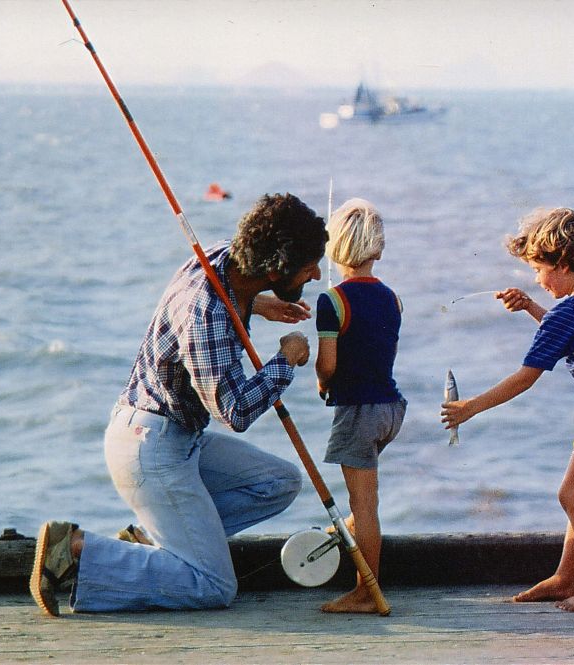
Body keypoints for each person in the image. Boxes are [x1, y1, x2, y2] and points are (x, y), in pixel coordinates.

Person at [30, 193, 328, 616]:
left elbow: (227, 297)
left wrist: (257, 305)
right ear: (276, 268)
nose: (315, 273)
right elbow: (235, 412)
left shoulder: (220, 259)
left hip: (176, 436)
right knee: (213, 586)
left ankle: (151, 540)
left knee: (277, 483)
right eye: (307, 267)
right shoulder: (206, 315)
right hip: (150, 447)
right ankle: (75, 549)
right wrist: (287, 359)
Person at [441, 207, 574, 612]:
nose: (536, 279)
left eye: (539, 269)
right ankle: (565, 579)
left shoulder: (567, 314)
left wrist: (471, 406)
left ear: (564, 263)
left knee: (572, 497)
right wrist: (534, 309)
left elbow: (526, 376)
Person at [314, 198, 406, 613]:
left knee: (363, 505)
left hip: (360, 411)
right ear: (378, 249)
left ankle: (367, 592)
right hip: (391, 409)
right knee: (363, 498)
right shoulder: (392, 298)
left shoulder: (332, 301)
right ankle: (352, 542)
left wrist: (320, 381)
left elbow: (328, 364)